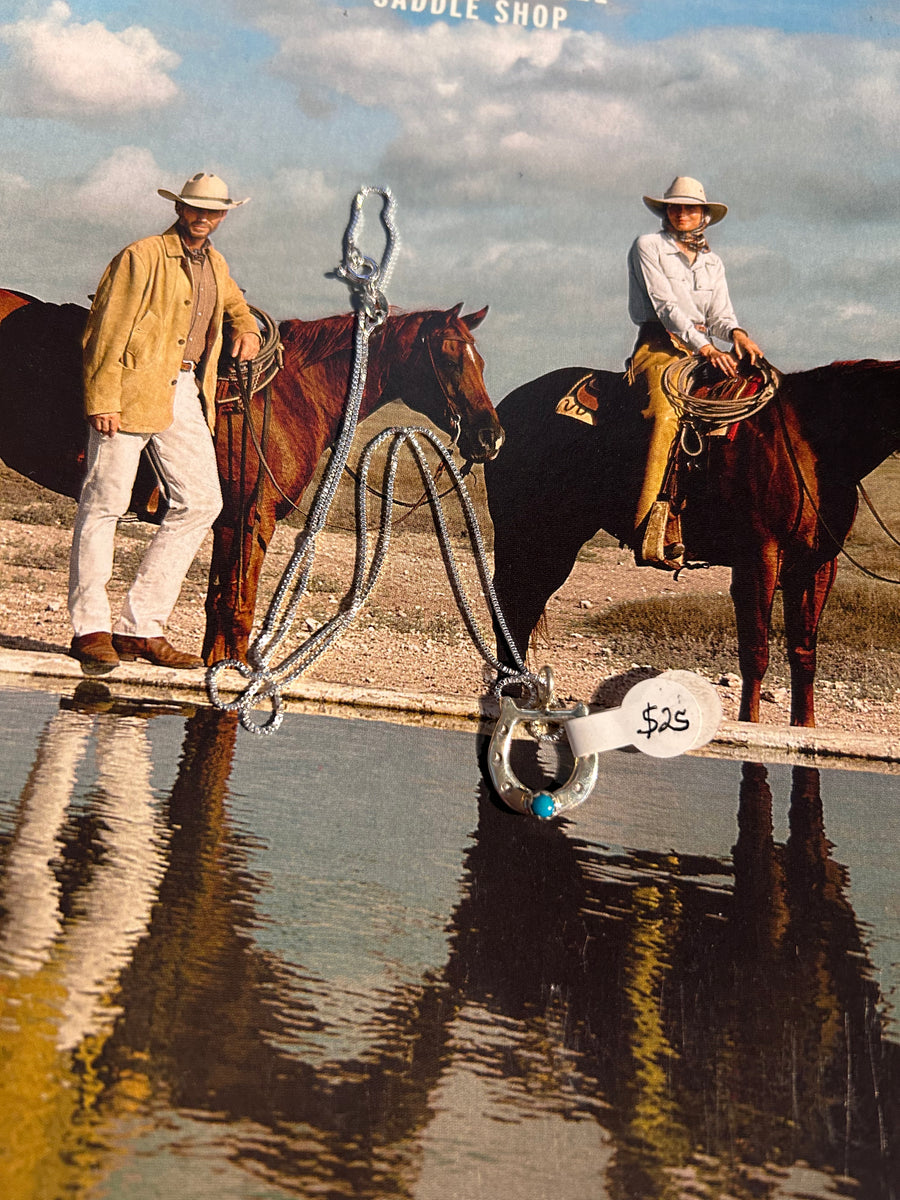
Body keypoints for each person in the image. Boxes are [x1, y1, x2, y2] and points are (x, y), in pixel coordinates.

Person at [68, 172, 261, 674]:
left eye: (213, 211)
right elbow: (106, 329)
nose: (203, 217)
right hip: (129, 389)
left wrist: (246, 327)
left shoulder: (215, 262)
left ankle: (140, 627)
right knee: (105, 501)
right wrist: (102, 398)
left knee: (202, 501)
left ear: (223, 216)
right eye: (195, 208)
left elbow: (236, 305)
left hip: (183, 390)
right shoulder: (143, 256)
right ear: (180, 209)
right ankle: (90, 627)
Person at [626, 175, 763, 567]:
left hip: (703, 348)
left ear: (704, 215)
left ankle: (719, 518)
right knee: (664, 414)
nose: (682, 213)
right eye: (675, 207)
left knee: (748, 403)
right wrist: (704, 347)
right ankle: (650, 525)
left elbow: (719, 314)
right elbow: (666, 305)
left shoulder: (712, 262)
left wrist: (737, 334)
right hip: (659, 346)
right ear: (666, 211)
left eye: (690, 207)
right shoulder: (648, 247)